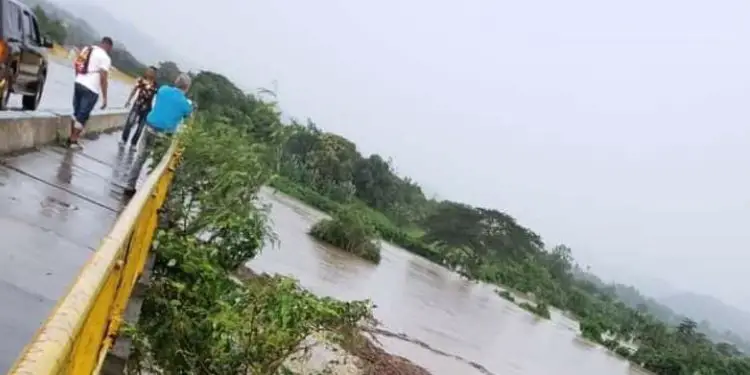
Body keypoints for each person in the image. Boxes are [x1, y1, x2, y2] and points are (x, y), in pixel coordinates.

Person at [124, 73, 193, 196]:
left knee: (140, 157)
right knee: (158, 163)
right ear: (187, 87)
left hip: (149, 126)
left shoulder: (163, 90)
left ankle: (130, 185)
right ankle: (149, 192)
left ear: (176, 82)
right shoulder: (186, 104)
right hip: (165, 134)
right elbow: (188, 119)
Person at [69, 37, 113, 149]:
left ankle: (71, 138)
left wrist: (78, 78)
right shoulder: (105, 58)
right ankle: (73, 141)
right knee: (82, 116)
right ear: (109, 47)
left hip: (78, 83)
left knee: (76, 112)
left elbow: (77, 64)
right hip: (91, 89)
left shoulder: (87, 49)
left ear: (101, 43)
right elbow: (103, 78)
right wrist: (105, 98)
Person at [121, 66, 158, 149]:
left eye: (152, 72)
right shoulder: (141, 80)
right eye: (148, 71)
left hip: (147, 108)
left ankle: (133, 144)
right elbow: (134, 90)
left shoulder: (155, 85)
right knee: (130, 122)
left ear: (154, 74)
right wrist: (128, 100)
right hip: (137, 105)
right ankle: (124, 140)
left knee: (140, 128)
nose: (149, 73)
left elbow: (157, 97)